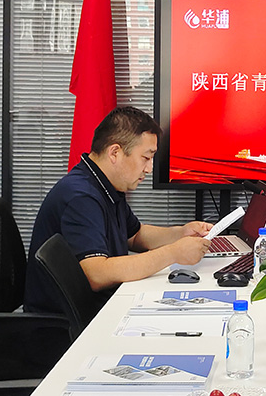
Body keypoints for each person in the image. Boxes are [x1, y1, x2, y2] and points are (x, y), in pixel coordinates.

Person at [24, 106, 213, 314]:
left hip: (96, 308)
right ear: (115, 152)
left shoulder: (105, 184)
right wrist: (173, 253)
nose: (149, 168)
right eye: (146, 157)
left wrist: (180, 233)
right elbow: (96, 273)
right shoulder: (81, 196)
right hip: (68, 324)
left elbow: (135, 235)